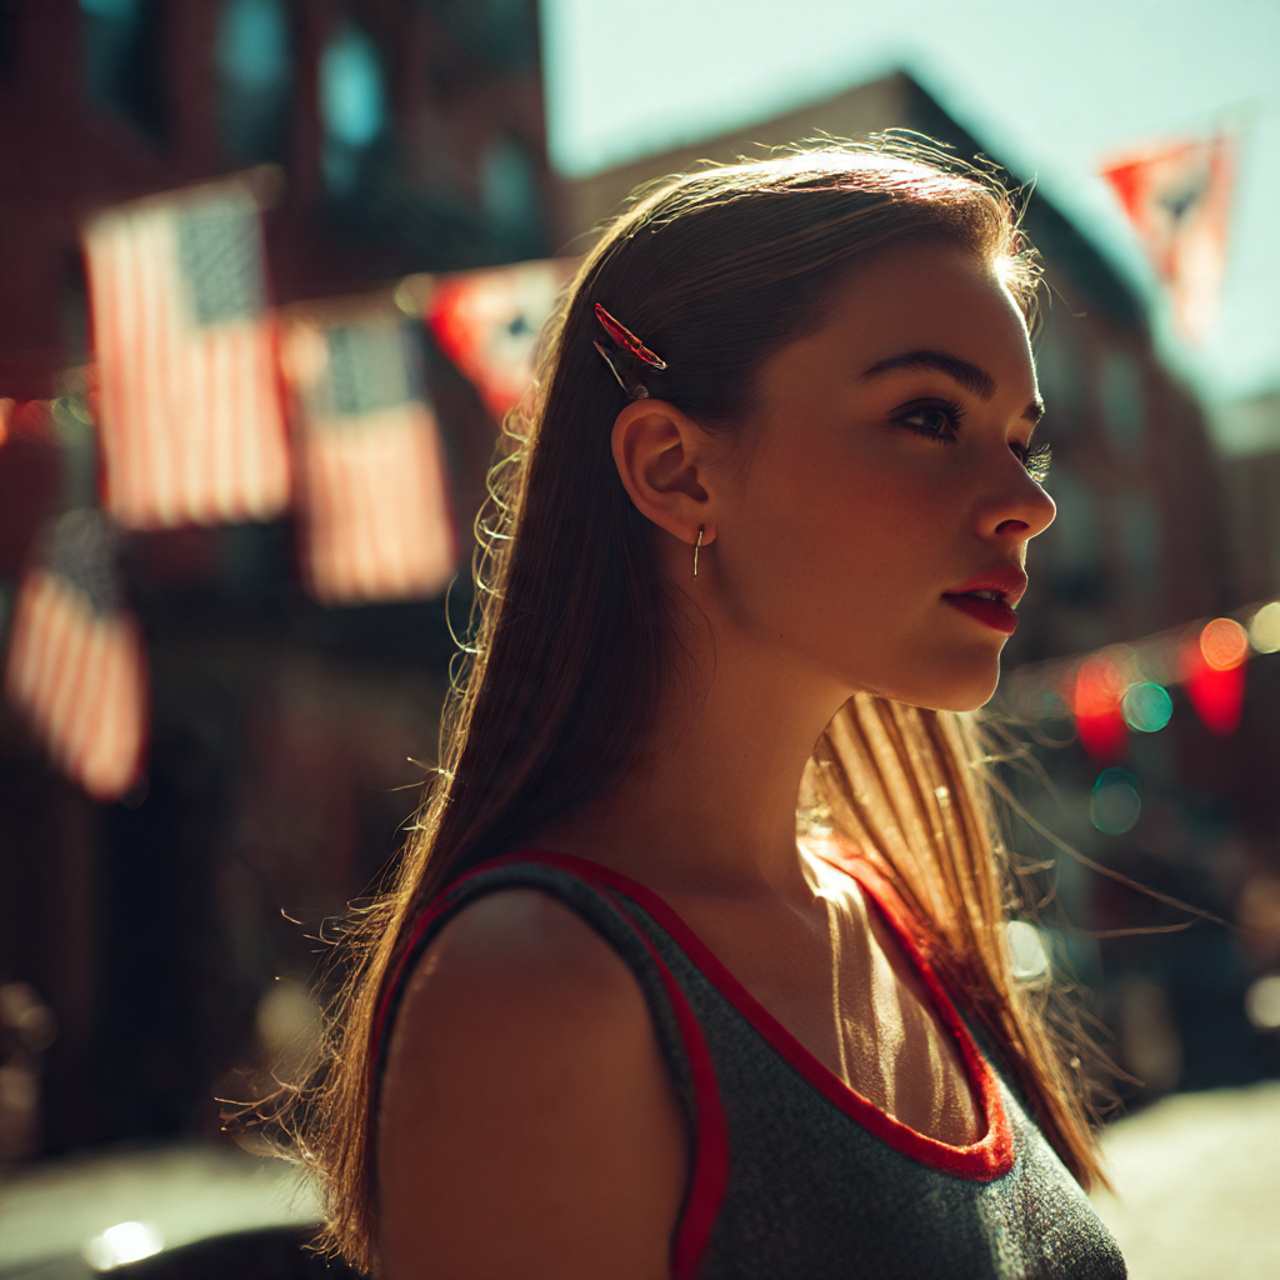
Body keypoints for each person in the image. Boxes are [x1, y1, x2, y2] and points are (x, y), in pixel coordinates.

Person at [307, 138, 1127, 1279]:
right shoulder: (540, 988)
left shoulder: (898, 925)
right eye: (928, 415)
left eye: (1018, 441)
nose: (1028, 504)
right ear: (676, 470)